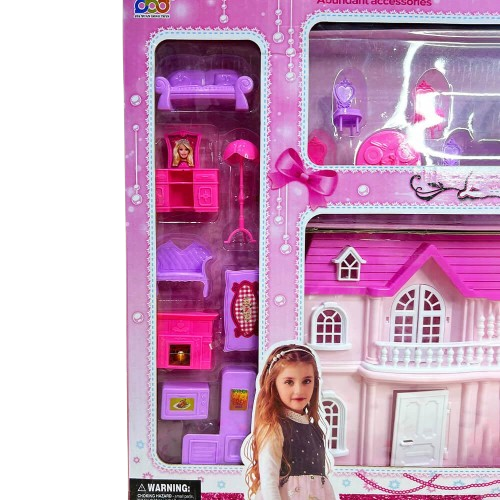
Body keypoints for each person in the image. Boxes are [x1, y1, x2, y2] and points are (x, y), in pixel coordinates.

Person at [244, 344, 335, 499]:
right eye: (289, 382)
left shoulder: (315, 428)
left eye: (306, 381)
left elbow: (322, 485)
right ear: (274, 384)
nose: (299, 390)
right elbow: (269, 483)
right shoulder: (274, 427)